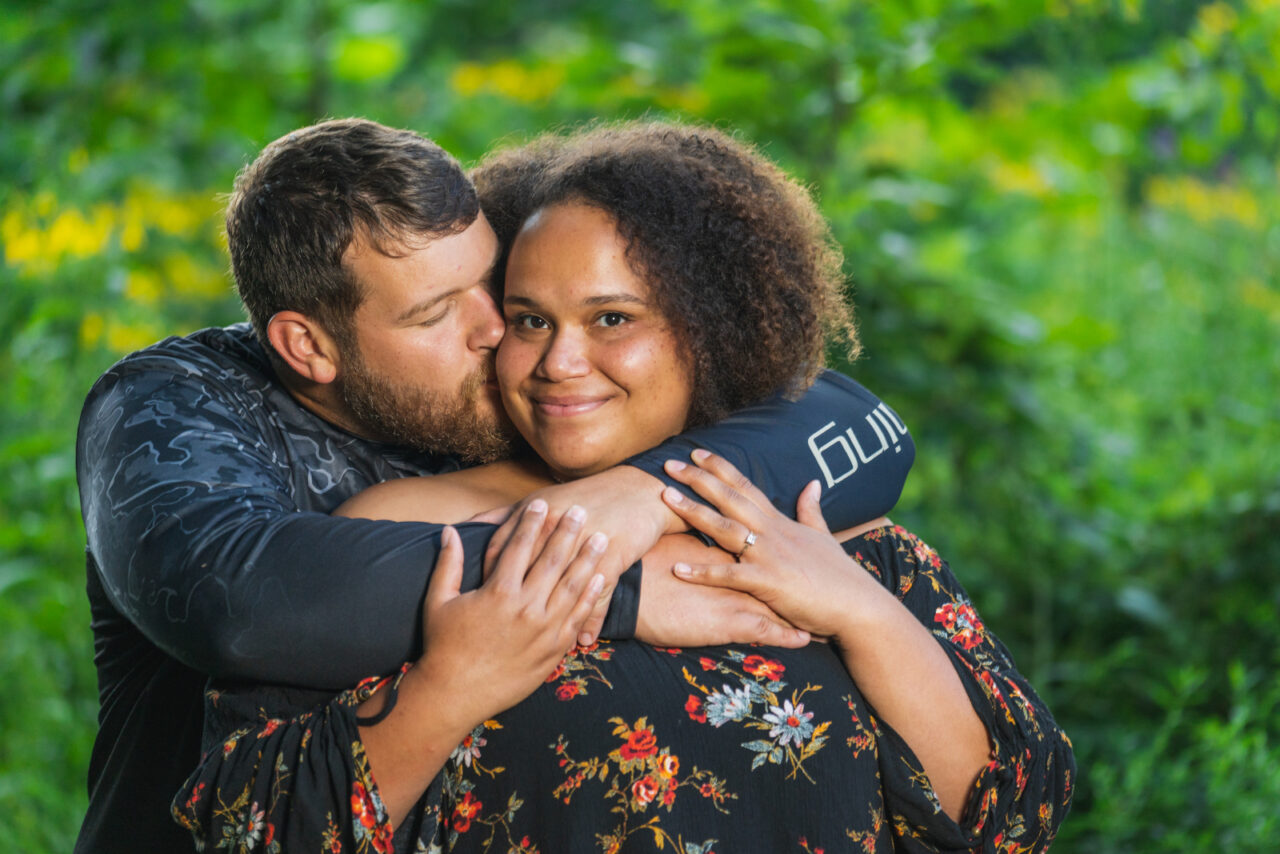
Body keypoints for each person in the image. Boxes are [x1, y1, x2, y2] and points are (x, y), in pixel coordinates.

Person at [174, 122, 1073, 852]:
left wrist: (861, 613)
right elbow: (249, 823)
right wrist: (450, 686)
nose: (561, 362)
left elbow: (1008, 818)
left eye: (612, 319)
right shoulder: (399, 536)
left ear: (711, 329)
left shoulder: (826, 522)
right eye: (529, 319)